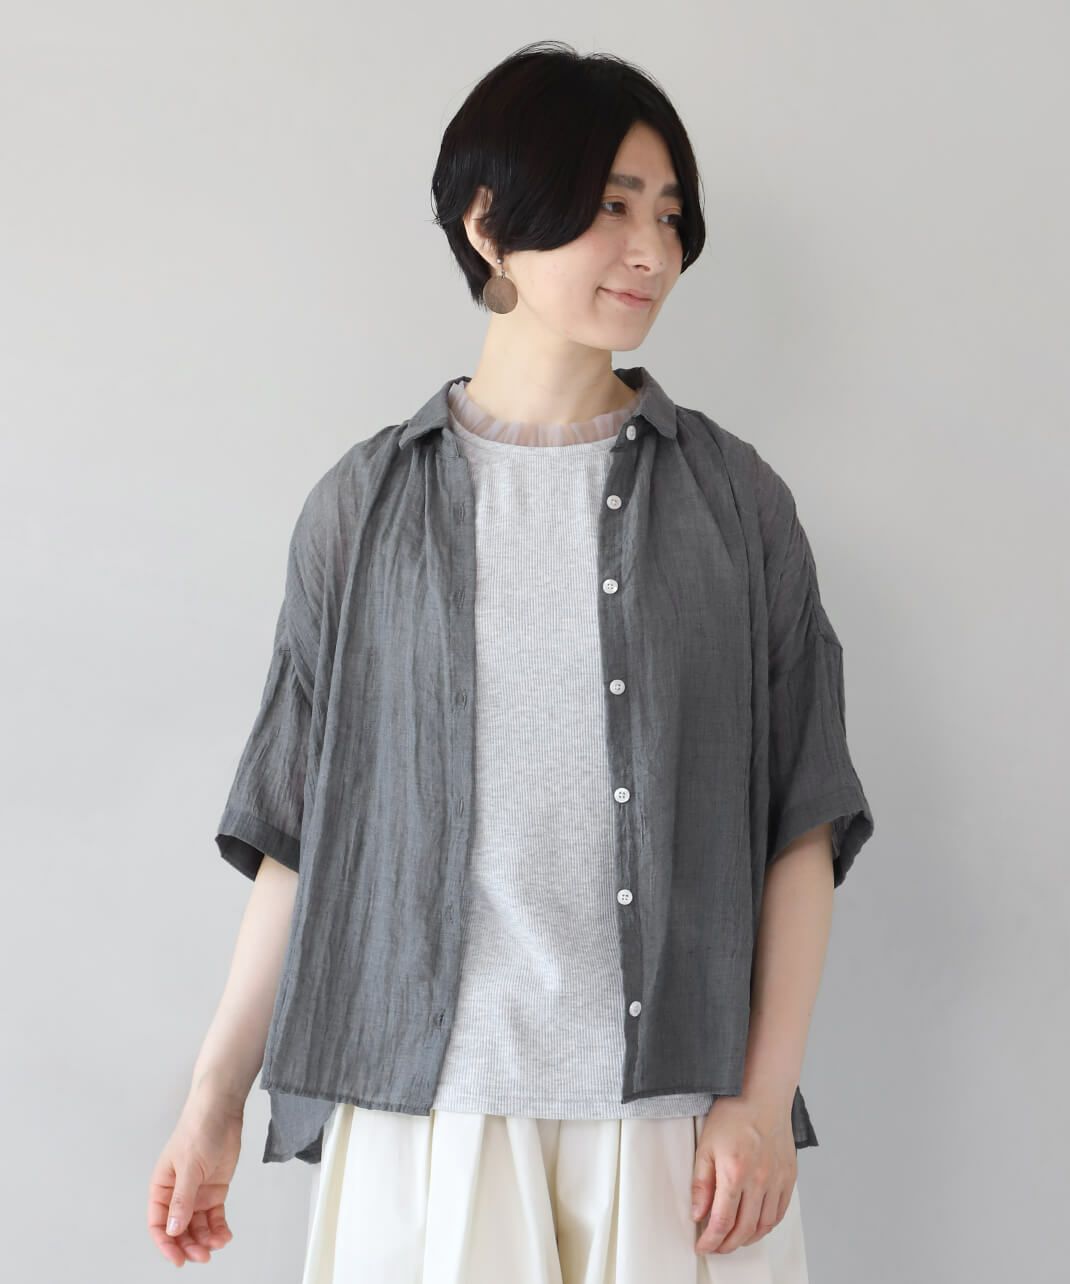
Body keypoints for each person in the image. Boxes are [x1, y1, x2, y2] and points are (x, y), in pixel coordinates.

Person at [147, 40, 874, 1281]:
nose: (650, 252)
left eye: (668, 214)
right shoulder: (363, 510)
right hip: (425, 1121)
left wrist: (761, 1099)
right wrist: (215, 1097)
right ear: (487, 224)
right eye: (609, 207)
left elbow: (799, 820)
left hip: (674, 1130)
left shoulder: (735, 503)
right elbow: (297, 836)